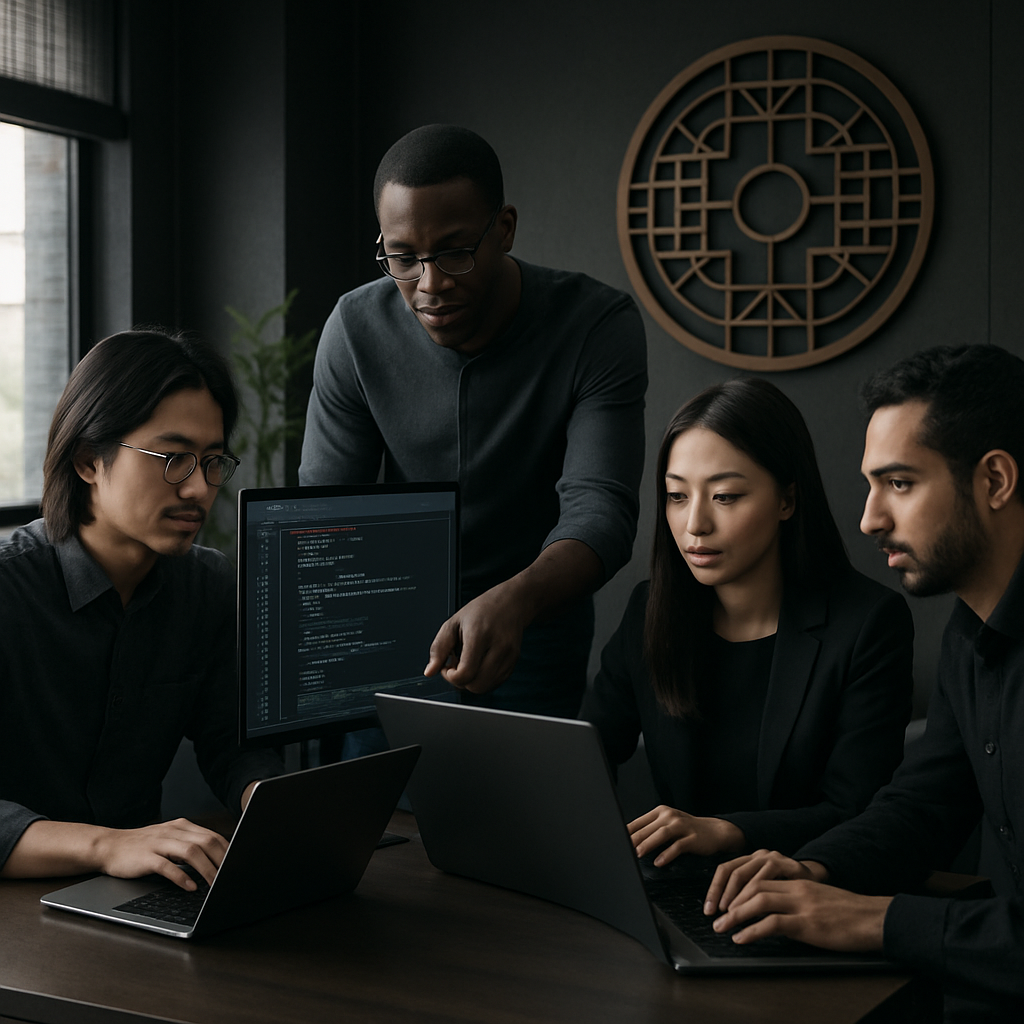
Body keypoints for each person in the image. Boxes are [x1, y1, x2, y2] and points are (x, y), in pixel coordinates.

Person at [704, 346, 1024, 1021]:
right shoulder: (972, 633)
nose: (870, 519)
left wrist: (874, 922)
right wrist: (814, 871)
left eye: (900, 483)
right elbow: (924, 805)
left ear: (995, 480)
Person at [299, 124, 647, 718]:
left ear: (504, 229)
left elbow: (601, 508)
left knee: (528, 809)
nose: (429, 285)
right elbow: (330, 507)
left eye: (455, 252)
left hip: (534, 621)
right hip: (389, 624)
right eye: (403, 259)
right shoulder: (355, 328)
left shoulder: (596, 324)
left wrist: (515, 601)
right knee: (379, 808)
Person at [581, 378, 914, 864]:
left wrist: (729, 831)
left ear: (786, 500)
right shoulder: (649, 610)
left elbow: (857, 811)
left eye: (725, 497)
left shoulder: (868, 624)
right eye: (677, 496)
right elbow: (586, 751)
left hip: (800, 891)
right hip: (678, 890)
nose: (695, 524)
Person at [0, 331, 282, 893]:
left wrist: (276, 806)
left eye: (212, 461)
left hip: (138, 893)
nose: (200, 489)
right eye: (173, 459)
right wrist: (108, 844)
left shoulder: (205, 586)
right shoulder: (10, 591)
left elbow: (231, 743)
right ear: (88, 461)